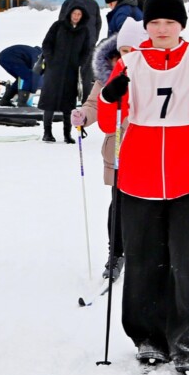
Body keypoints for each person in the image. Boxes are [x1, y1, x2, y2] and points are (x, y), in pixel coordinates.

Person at [96, 0, 189, 374]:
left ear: (181, 26)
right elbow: (108, 122)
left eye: (169, 22)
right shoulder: (130, 63)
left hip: (188, 177)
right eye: (154, 22)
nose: (162, 29)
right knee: (143, 261)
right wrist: (109, 94)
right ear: (146, 26)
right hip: (139, 177)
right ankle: (148, 336)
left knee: (188, 263)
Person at [71, 18, 148, 283]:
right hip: (119, 150)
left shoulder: (155, 75)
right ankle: (116, 254)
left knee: (148, 207)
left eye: (132, 51)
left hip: (149, 151)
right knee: (119, 205)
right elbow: (94, 103)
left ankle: (147, 254)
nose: (126, 57)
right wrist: (83, 115)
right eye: (123, 51)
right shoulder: (109, 73)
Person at [39, 7, 91, 143]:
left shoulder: (84, 31)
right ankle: (47, 133)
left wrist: (79, 63)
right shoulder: (58, 26)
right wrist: (50, 60)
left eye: (79, 14)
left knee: (69, 104)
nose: (76, 16)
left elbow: (86, 50)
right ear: (69, 14)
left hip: (71, 71)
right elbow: (47, 44)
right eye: (74, 13)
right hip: (54, 70)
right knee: (49, 102)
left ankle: (67, 134)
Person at [59, 0, 102, 99]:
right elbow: (98, 24)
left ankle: (69, 100)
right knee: (87, 75)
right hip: (89, 44)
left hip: (72, 44)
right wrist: (93, 39)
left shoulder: (68, 2)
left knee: (70, 73)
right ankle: (86, 101)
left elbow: (61, 23)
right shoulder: (93, 3)